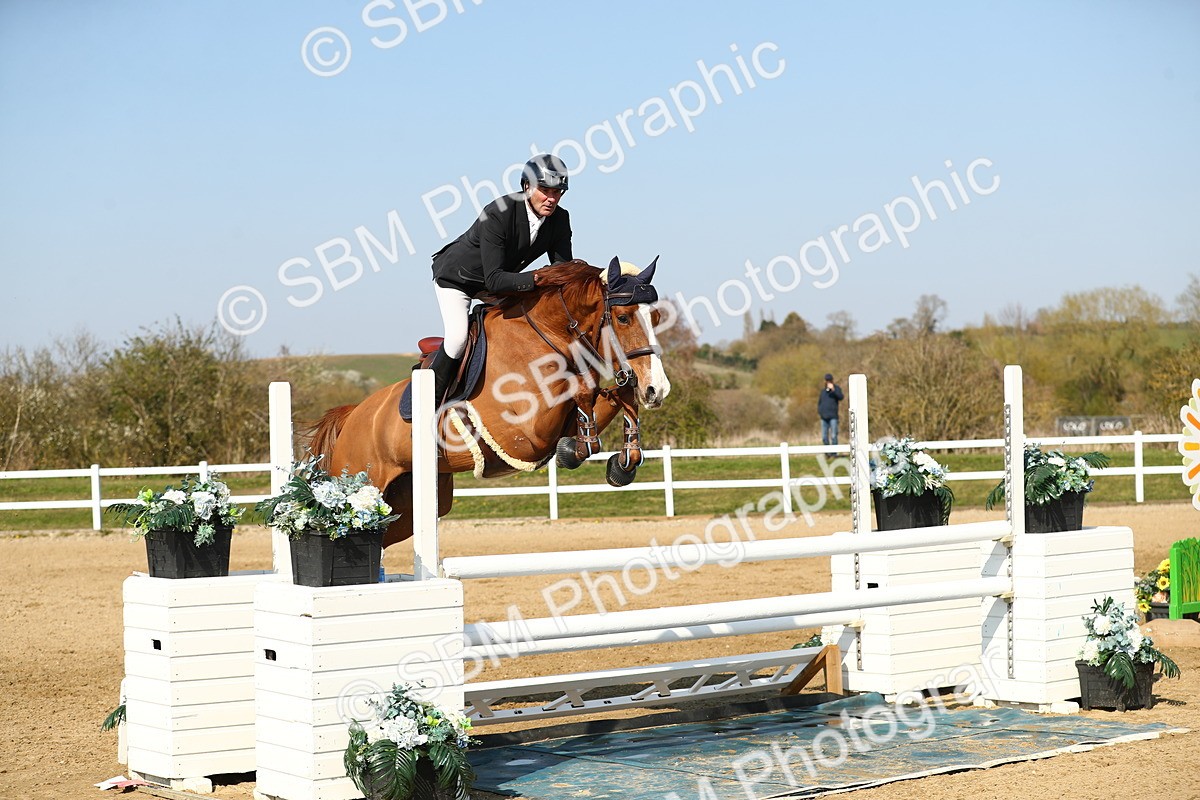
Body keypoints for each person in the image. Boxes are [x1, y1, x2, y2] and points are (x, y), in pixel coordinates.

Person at [427, 154, 573, 403]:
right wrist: (539, 278)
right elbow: (494, 280)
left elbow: (562, 269)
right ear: (526, 186)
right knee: (458, 338)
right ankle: (430, 401)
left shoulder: (560, 218)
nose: (551, 198)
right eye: (545, 190)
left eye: (557, 192)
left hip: (499, 282)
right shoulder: (499, 212)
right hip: (458, 279)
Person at [818, 373, 844, 447]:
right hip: (824, 417)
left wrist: (833, 390)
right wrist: (820, 412)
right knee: (824, 437)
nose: (828, 382)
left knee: (834, 436)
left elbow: (841, 397)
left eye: (829, 380)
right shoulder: (823, 391)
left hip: (833, 417)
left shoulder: (836, 389)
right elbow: (820, 403)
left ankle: (834, 452)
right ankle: (827, 452)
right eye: (827, 380)